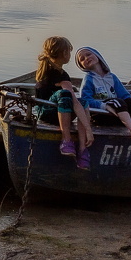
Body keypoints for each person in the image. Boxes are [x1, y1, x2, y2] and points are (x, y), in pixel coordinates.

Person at [34, 35, 94, 169]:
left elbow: (77, 103)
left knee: (82, 101)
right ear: (65, 53)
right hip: (46, 113)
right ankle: (66, 140)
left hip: (58, 112)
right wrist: (89, 129)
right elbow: (73, 101)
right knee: (66, 94)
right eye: (69, 52)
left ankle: (82, 149)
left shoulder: (47, 69)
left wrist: (87, 127)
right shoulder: (58, 74)